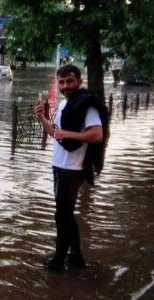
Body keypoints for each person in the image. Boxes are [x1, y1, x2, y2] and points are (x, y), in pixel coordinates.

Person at [33, 65, 108, 271]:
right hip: (59, 165)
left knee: (62, 215)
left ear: (79, 81)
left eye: (70, 81)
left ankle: (58, 260)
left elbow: (96, 135)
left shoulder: (86, 105)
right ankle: (76, 257)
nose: (66, 86)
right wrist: (41, 118)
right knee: (65, 214)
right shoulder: (66, 104)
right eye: (62, 82)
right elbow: (55, 133)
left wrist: (69, 134)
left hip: (73, 168)